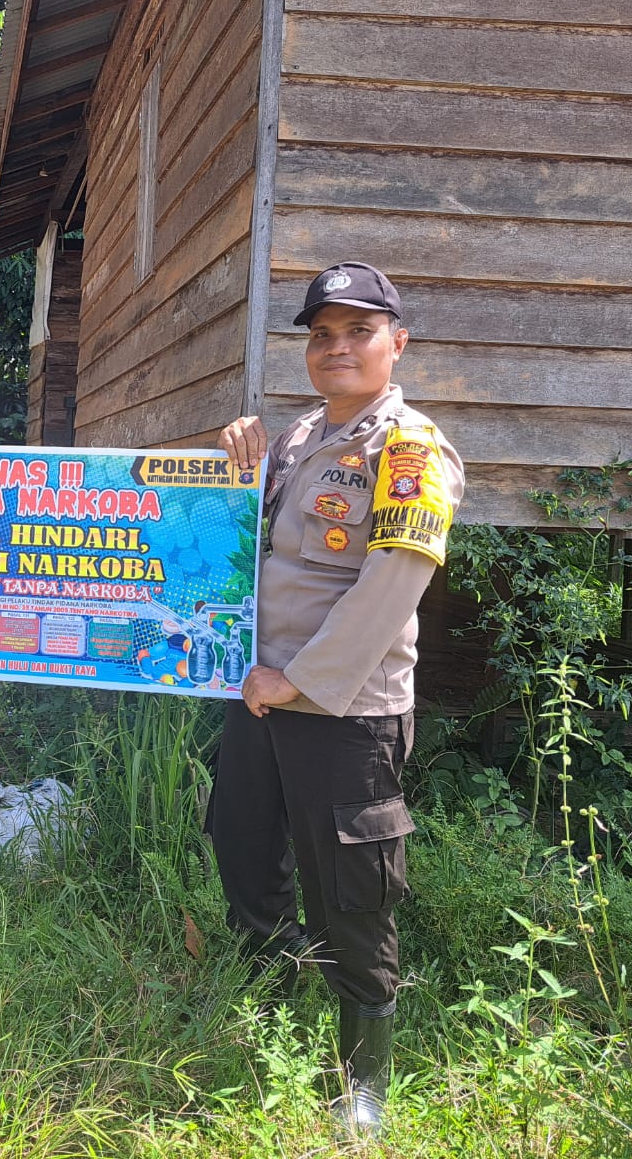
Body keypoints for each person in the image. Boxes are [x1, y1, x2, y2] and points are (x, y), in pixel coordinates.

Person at [214, 261, 464, 1131]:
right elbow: (249, 548)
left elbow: (392, 583)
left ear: (398, 343)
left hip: (342, 708)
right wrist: (234, 462)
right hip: (257, 693)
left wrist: (301, 681)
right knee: (244, 847)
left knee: (352, 890)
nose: (338, 348)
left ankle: (364, 1084)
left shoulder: (411, 451)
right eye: (322, 334)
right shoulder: (294, 438)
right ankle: (270, 996)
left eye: (359, 331)